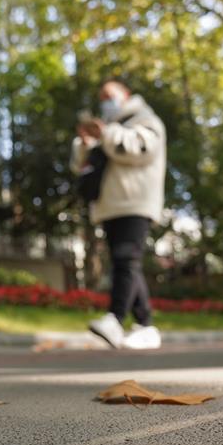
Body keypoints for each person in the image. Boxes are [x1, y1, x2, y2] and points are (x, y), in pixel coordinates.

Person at [71, 80, 167, 349]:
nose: (104, 101)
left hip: (135, 202)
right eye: (101, 97)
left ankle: (115, 318)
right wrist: (87, 143)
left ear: (126, 95)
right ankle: (146, 325)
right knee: (126, 262)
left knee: (125, 258)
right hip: (109, 205)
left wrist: (107, 134)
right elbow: (83, 165)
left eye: (109, 96)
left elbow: (138, 151)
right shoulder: (108, 128)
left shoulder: (146, 120)